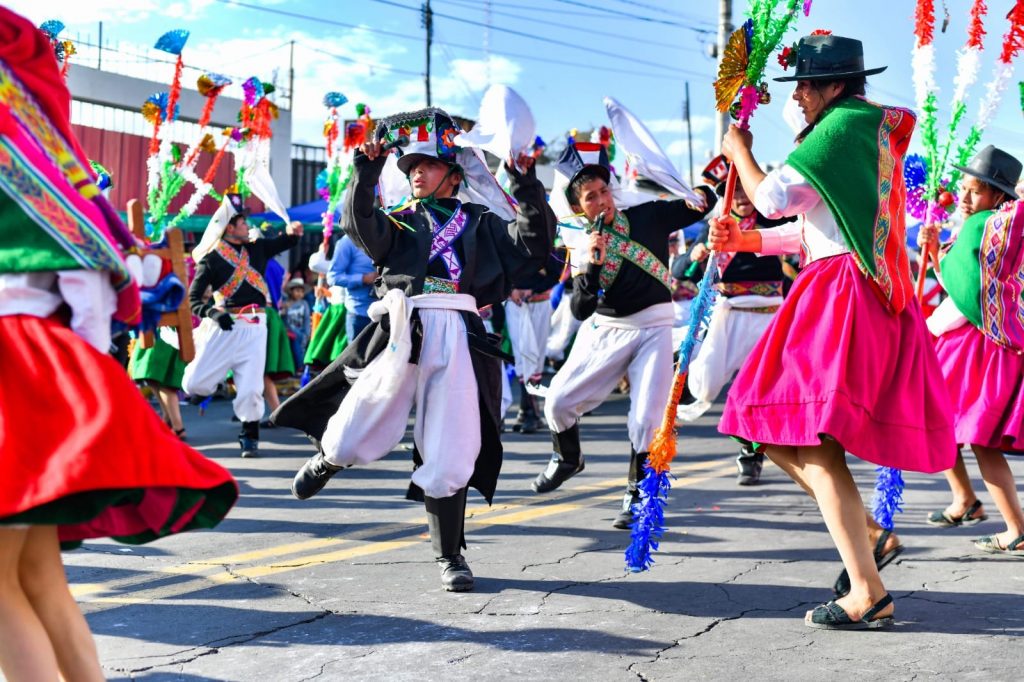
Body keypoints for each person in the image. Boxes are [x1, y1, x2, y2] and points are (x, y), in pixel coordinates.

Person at [0, 9, 237, 678]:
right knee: (37, 577)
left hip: (13, 368)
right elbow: (96, 292)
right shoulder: (47, 164)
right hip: (50, 366)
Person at [709, 34, 956, 629]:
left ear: (834, 86)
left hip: (836, 296)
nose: (797, 98)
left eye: (805, 86)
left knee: (801, 434)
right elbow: (815, 228)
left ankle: (868, 591)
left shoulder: (844, 127)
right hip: (835, 285)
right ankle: (869, 540)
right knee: (765, 424)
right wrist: (747, 241)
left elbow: (771, 197)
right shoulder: (854, 132)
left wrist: (738, 148)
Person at [274, 108, 554, 592]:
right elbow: (359, 224)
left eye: (425, 165)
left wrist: (527, 184)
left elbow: (533, 242)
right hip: (403, 328)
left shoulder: (482, 221)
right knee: (358, 420)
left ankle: (450, 555)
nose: (416, 172)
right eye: (410, 167)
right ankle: (329, 458)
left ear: (453, 172)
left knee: (453, 445)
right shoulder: (399, 222)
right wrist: (367, 170)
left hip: (460, 335)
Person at [533, 141, 717, 532]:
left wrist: (703, 192)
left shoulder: (647, 216)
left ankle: (637, 491)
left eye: (604, 191)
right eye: (590, 197)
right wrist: (593, 266)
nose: (601, 201)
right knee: (559, 401)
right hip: (606, 329)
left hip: (654, 325)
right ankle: (567, 458)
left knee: (648, 415)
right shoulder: (580, 243)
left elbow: (699, 204)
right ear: (578, 206)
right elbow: (581, 310)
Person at [918, 145, 1024, 555]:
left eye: (975, 191)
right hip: (970, 345)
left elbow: (970, 286)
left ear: (999, 196)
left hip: (982, 348)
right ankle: (966, 500)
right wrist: (937, 249)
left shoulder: (993, 224)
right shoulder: (984, 226)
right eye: (963, 188)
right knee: (941, 422)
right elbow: (964, 278)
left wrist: (941, 253)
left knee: (975, 436)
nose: (964, 198)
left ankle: (1012, 526)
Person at [674, 177, 796, 485]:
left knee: (756, 386)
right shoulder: (716, 225)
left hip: (767, 315)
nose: (741, 196)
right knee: (706, 383)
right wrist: (696, 254)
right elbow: (679, 271)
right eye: (734, 190)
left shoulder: (772, 216)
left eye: (745, 189)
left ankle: (750, 453)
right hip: (727, 316)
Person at [182, 209, 302, 457]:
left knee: (250, 386)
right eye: (242, 223)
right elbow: (193, 299)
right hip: (225, 325)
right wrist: (214, 313)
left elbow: (284, 241)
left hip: (255, 326)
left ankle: (250, 435)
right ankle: (210, 386)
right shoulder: (211, 260)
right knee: (194, 383)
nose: (248, 226)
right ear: (229, 228)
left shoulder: (257, 249)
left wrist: (293, 233)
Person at [505, 247, 566, 433]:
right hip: (514, 304)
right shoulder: (505, 236)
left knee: (536, 356)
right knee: (521, 354)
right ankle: (527, 410)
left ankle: (531, 411)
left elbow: (555, 275)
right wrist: (510, 290)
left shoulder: (543, 244)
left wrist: (532, 289)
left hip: (539, 303)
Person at [261, 246, 294, 422]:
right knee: (257, 370)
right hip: (271, 314)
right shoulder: (277, 266)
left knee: (258, 369)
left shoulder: (257, 262)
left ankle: (275, 411)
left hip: (260, 316)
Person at [329, 232, 378, 342]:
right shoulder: (347, 242)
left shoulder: (388, 236)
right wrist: (363, 279)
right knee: (356, 358)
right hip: (359, 314)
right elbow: (333, 277)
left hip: (386, 312)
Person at [282, 277, 312, 372]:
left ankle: (300, 369)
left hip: (301, 333)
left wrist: (307, 334)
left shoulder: (304, 304)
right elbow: (284, 319)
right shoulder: (286, 304)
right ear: (291, 291)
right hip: (289, 332)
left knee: (300, 351)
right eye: (297, 291)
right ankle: (293, 370)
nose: (300, 294)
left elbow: (307, 319)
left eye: (301, 291)